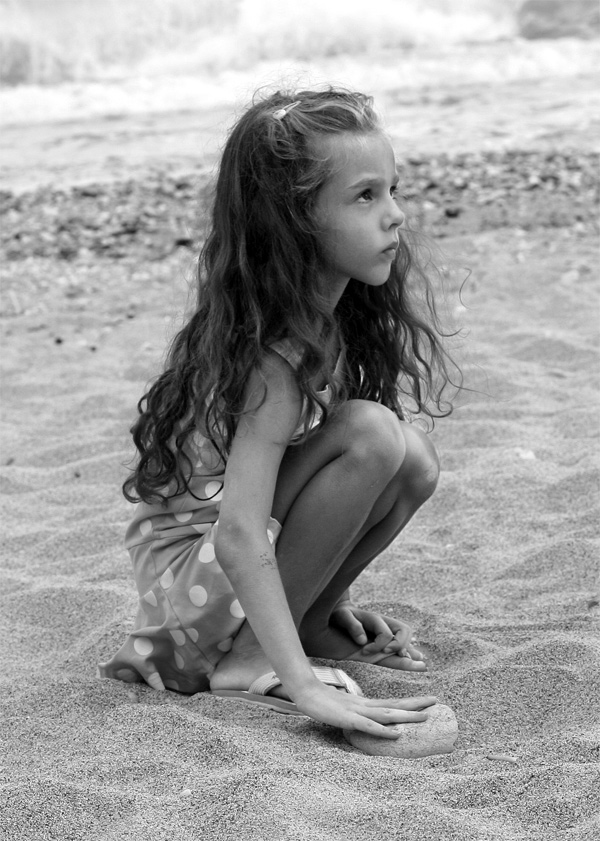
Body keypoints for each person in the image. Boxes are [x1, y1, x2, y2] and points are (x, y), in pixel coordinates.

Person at [99, 88, 459, 741]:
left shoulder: (325, 319)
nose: (396, 215)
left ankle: (306, 619)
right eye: (364, 196)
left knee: (413, 461)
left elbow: (297, 484)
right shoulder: (276, 354)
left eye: (392, 190)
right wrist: (302, 684)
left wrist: (330, 597)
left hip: (222, 582)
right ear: (296, 222)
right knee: (371, 435)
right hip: (194, 593)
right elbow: (238, 531)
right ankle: (251, 659)